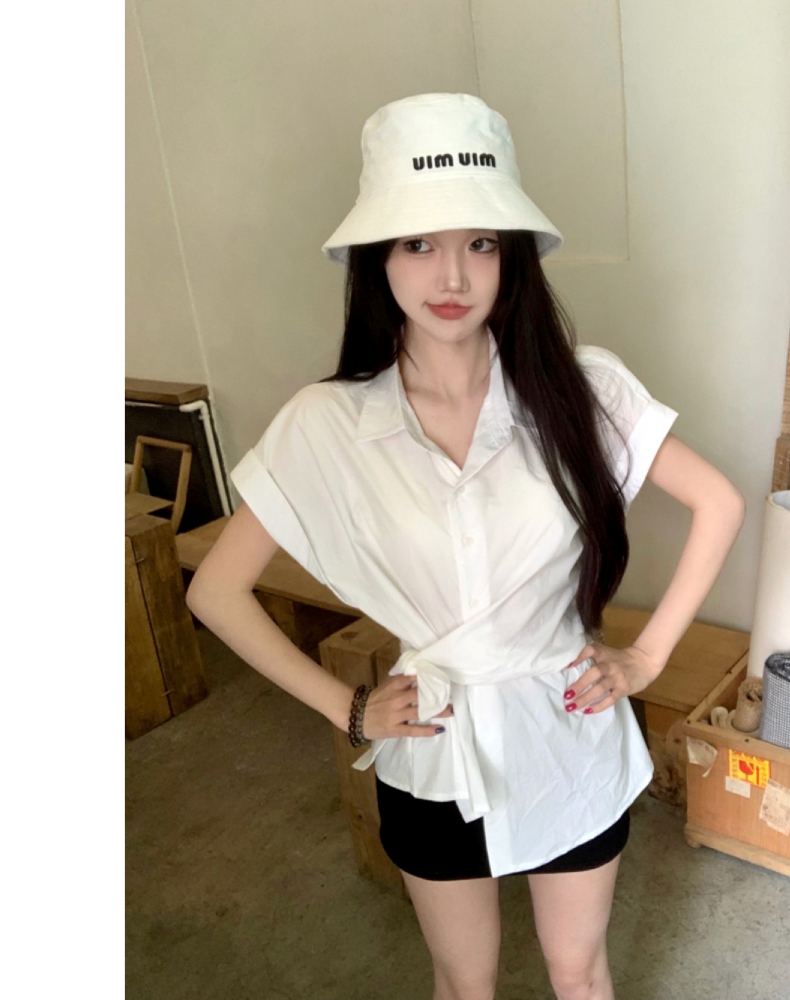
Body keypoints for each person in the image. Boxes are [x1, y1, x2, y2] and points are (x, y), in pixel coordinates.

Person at [186, 93, 746, 1000]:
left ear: (511, 255)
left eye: (480, 242)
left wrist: (645, 658)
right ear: (378, 258)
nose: (451, 273)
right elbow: (215, 591)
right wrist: (349, 710)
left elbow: (718, 503)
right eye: (418, 242)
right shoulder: (328, 423)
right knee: (463, 981)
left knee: (579, 973)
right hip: (435, 745)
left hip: (569, 723)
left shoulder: (581, 389)